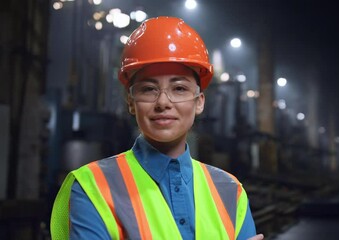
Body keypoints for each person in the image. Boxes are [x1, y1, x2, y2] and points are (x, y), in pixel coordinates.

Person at [50, 16, 263, 240]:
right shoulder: (92, 188)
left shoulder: (230, 191)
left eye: (179, 88)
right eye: (149, 89)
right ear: (131, 102)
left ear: (199, 101)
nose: (163, 102)